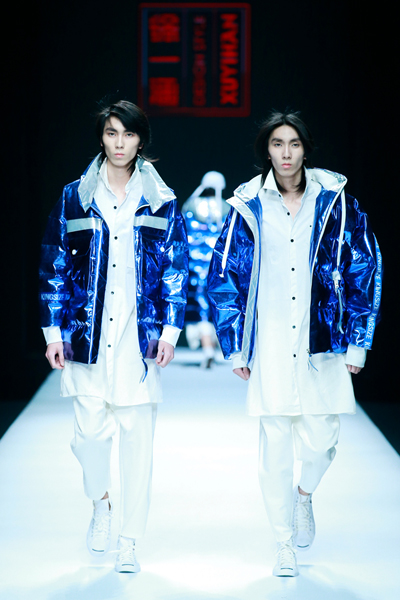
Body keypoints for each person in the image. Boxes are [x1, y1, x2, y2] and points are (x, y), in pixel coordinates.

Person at [207, 110, 382, 577]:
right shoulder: (247, 204)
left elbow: (365, 266)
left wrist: (358, 341)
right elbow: (224, 275)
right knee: (275, 449)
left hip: (320, 338)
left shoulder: (335, 201)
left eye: (294, 144)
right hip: (268, 340)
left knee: (323, 441)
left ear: (306, 149)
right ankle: (283, 541)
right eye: (277, 144)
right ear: (267, 151)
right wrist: (235, 345)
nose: (286, 153)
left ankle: (304, 495)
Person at [39, 100, 189, 573]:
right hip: (87, 336)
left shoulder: (161, 199)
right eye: (111, 133)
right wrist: (53, 331)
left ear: (141, 139)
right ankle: (100, 501)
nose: (119, 143)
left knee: (138, 446)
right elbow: (54, 264)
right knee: (88, 438)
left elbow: (175, 267)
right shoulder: (75, 197)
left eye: (128, 134)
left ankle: (129, 540)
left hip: (138, 339)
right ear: (102, 137)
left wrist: (170, 331)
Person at [182, 171, 229, 368]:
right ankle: (213, 348)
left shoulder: (190, 206)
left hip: (195, 269)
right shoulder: (226, 208)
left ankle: (208, 349)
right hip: (219, 269)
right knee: (216, 307)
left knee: (200, 308)